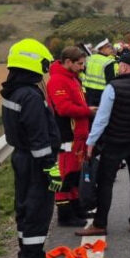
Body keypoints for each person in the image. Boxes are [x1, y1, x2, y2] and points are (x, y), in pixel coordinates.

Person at [1, 38, 65, 258]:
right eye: (44, 63)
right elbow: (39, 138)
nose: (46, 69)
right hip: (35, 163)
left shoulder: (14, 91)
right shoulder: (30, 95)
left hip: (24, 159)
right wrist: (51, 168)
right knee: (36, 215)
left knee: (26, 213)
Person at [77, 52, 130, 236]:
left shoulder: (112, 88)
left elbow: (101, 119)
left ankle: (100, 224)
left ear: (125, 67)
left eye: (120, 65)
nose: (118, 68)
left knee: (106, 182)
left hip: (115, 141)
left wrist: (90, 142)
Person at [47, 45, 96, 227]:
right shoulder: (58, 81)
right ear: (68, 62)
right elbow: (64, 108)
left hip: (78, 135)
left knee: (75, 174)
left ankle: (77, 208)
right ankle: (65, 215)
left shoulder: (72, 78)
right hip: (67, 136)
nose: (83, 67)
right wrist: (88, 112)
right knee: (65, 176)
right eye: (80, 64)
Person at [83, 39, 117, 107]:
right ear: (102, 49)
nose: (111, 49)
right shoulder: (108, 62)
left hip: (88, 91)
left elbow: (84, 71)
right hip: (101, 93)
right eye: (108, 47)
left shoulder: (89, 58)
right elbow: (110, 80)